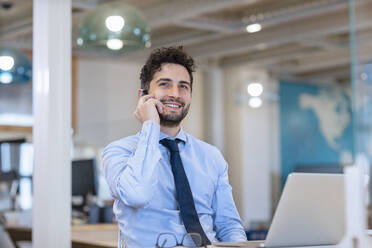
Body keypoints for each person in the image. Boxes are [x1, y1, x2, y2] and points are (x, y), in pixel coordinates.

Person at [103, 46, 246, 247]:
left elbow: (228, 226)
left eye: (183, 87)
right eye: (164, 84)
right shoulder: (118, 151)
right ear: (143, 95)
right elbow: (137, 194)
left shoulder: (211, 156)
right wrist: (150, 126)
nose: (175, 94)